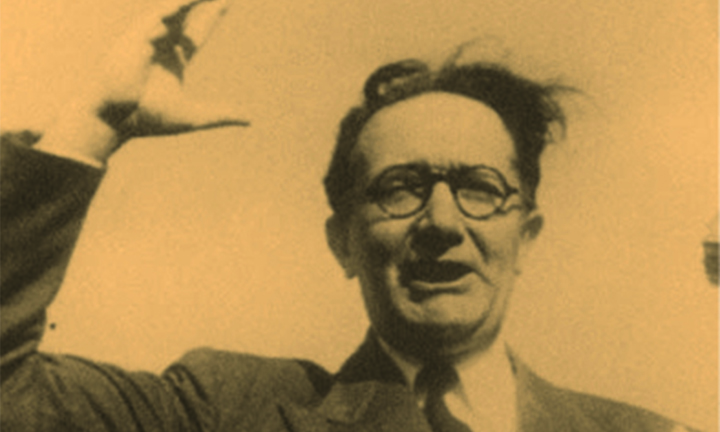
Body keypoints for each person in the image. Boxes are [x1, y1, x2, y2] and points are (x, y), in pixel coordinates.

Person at [0, 1, 701, 431]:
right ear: (342, 241)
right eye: (400, 188)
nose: (441, 221)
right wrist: (92, 123)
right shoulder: (225, 409)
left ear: (527, 236)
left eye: (480, 188)